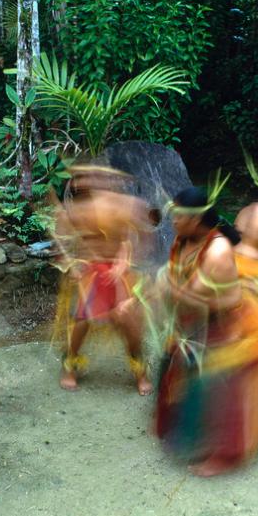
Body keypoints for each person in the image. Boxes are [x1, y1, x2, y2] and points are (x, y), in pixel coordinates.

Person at [155, 186, 258, 476]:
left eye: (178, 217)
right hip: (200, 321)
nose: (172, 221)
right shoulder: (185, 239)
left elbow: (192, 297)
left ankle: (225, 456)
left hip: (230, 324)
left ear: (196, 220)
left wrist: (165, 289)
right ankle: (191, 435)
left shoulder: (217, 251)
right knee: (177, 364)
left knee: (216, 379)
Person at [52, 164, 154, 395]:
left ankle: (140, 372)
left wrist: (127, 260)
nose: (81, 182)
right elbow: (63, 242)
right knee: (81, 321)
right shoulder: (78, 209)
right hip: (91, 272)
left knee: (129, 324)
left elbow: (145, 238)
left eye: (90, 177)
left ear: (108, 179)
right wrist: (72, 265)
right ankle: (70, 364)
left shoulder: (130, 205)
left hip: (121, 274)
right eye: (80, 178)